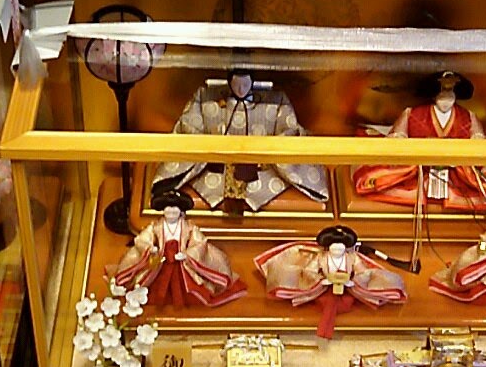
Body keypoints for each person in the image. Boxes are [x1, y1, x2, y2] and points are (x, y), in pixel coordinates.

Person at [152, 71, 329, 215]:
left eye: (245, 84)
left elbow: (288, 131)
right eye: (236, 85)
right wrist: (212, 150)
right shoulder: (206, 97)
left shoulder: (275, 101)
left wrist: (264, 151)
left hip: (263, 170)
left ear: (252, 82)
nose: (241, 89)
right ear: (229, 83)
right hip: (214, 167)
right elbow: (189, 127)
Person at [352, 71, 486, 211]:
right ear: (434, 93)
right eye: (442, 90)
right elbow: (398, 137)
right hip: (419, 170)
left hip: (457, 172)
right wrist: (415, 149)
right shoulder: (413, 113)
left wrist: (462, 153)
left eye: (450, 90)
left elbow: (478, 141)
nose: (446, 96)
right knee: (379, 179)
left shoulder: (467, 116)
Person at [255, 224, 409, 338]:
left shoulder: (352, 257)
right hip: (323, 287)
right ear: (328, 248)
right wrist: (321, 281)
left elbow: (362, 272)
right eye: (334, 248)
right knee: (326, 301)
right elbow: (310, 271)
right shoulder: (321, 257)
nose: (337, 250)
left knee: (345, 302)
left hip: (348, 288)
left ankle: (325, 330)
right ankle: (324, 330)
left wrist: (352, 282)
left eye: (340, 248)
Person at [108, 205, 246, 309]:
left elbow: (200, 242)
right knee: (153, 286)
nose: (171, 212)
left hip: (182, 263)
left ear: (181, 211)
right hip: (161, 261)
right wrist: (151, 248)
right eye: (168, 208)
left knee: (188, 287)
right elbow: (142, 239)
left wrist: (187, 254)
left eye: (175, 209)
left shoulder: (188, 227)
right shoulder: (156, 226)